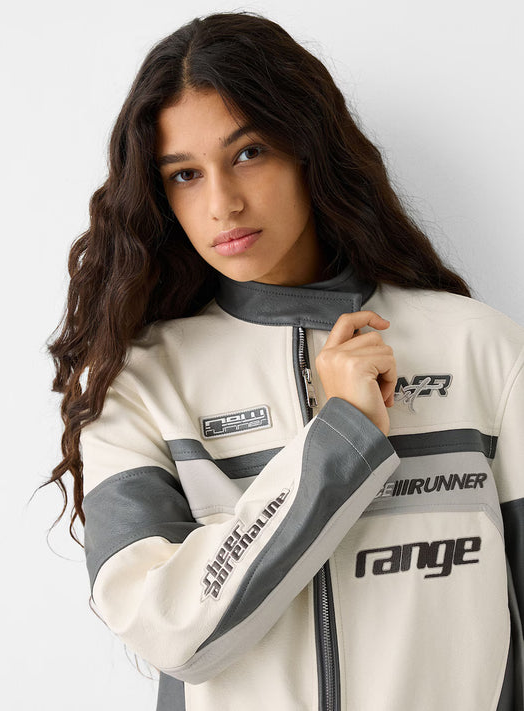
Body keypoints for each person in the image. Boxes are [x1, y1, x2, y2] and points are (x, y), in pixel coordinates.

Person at [46, 10, 524, 711]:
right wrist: (339, 440)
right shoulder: (140, 382)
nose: (222, 203)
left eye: (249, 153)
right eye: (184, 174)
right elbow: (170, 631)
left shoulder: (481, 351)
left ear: (309, 148)